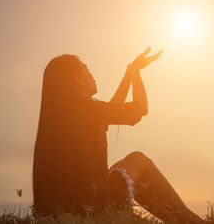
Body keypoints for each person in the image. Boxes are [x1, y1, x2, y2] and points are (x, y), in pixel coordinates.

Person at [32, 48, 204, 223]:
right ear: (79, 79)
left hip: (67, 211)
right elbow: (139, 109)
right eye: (88, 70)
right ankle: (191, 219)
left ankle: (181, 220)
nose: (92, 75)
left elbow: (112, 107)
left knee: (120, 167)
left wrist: (129, 72)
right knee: (138, 159)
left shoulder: (65, 114)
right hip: (90, 209)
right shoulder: (87, 109)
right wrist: (136, 72)